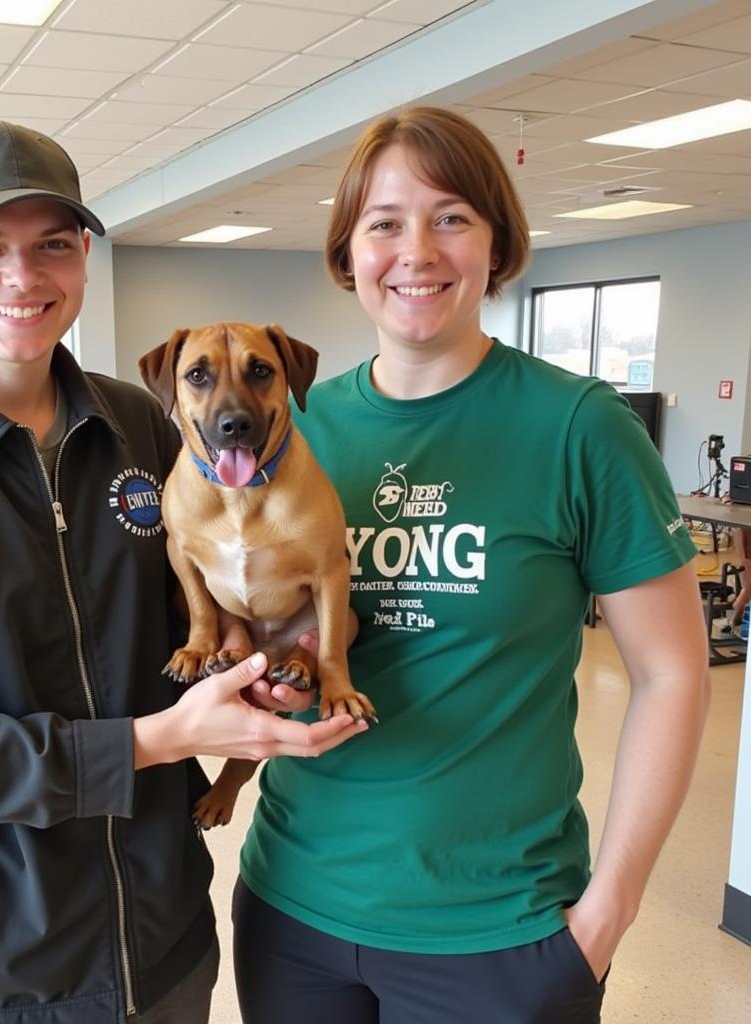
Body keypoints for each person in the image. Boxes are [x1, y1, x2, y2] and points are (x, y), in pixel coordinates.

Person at [0, 120, 366, 1024]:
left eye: (52, 244)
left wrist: (257, 669)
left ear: (84, 257)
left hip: (163, 943)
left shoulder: (140, 425)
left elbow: (198, 610)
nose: (23, 277)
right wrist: (153, 743)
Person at [232, 106, 711, 1024]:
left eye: (451, 216)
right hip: (292, 910)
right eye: (384, 222)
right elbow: (253, 629)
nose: (416, 250)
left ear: (497, 243)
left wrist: (606, 914)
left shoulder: (580, 428)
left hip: (503, 932)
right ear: (348, 252)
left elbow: (671, 671)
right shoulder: (294, 428)